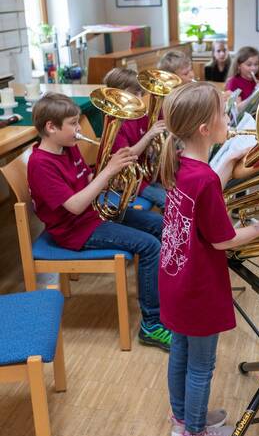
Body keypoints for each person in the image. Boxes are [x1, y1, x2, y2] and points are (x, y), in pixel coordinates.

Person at [159, 82, 259, 436]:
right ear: (205, 129)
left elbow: (200, 202)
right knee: (202, 366)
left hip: (175, 281)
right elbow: (222, 240)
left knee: (180, 354)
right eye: (222, 113)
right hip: (199, 288)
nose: (227, 119)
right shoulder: (202, 180)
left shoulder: (182, 165)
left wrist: (227, 166)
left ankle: (183, 422)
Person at [27, 92, 171, 351]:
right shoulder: (41, 164)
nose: (78, 129)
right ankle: (151, 324)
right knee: (150, 246)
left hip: (94, 214)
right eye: (73, 124)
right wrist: (109, 171)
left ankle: (161, 295)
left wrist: (114, 171)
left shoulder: (67, 147)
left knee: (160, 226)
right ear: (51, 127)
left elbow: (88, 183)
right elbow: (75, 205)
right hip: (75, 230)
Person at [104, 67, 167, 210]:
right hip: (129, 181)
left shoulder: (140, 114)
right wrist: (149, 135)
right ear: (117, 93)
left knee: (178, 194)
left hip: (146, 174)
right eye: (134, 93)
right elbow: (127, 156)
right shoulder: (114, 122)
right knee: (167, 201)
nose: (139, 98)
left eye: (139, 92)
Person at [225, 46, 259, 113]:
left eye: (256, 64)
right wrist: (256, 93)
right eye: (249, 65)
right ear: (239, 65)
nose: (253, 68)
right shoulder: (233, 82)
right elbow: (238, 109)